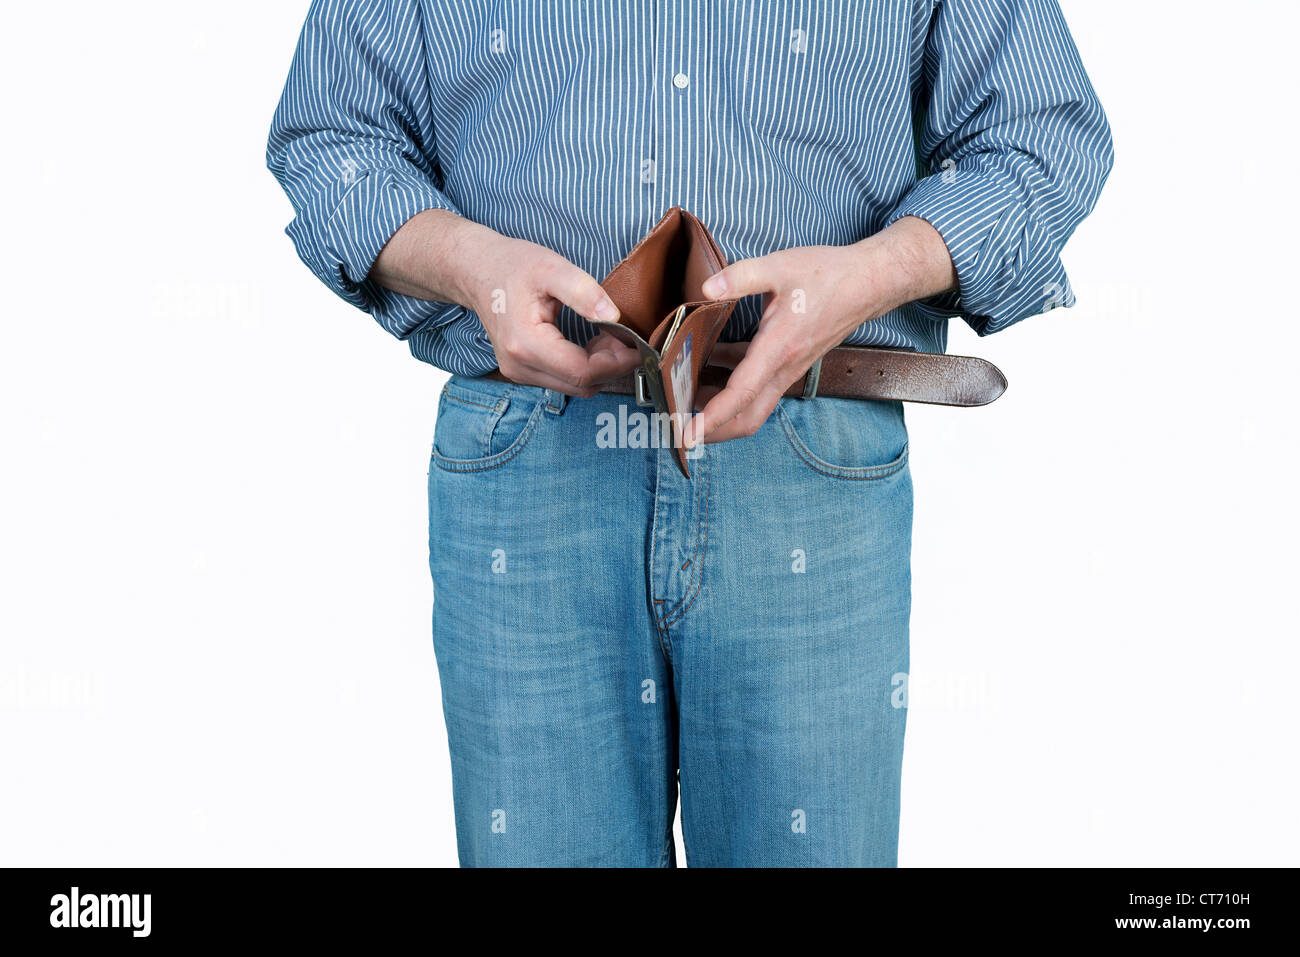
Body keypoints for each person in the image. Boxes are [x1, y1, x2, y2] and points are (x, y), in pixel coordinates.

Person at [268, 0, 1112, 867]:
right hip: (527, 461)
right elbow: (333, 133)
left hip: (809, 459)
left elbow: (1037, 134)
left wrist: (870, 274)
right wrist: (472, 267)